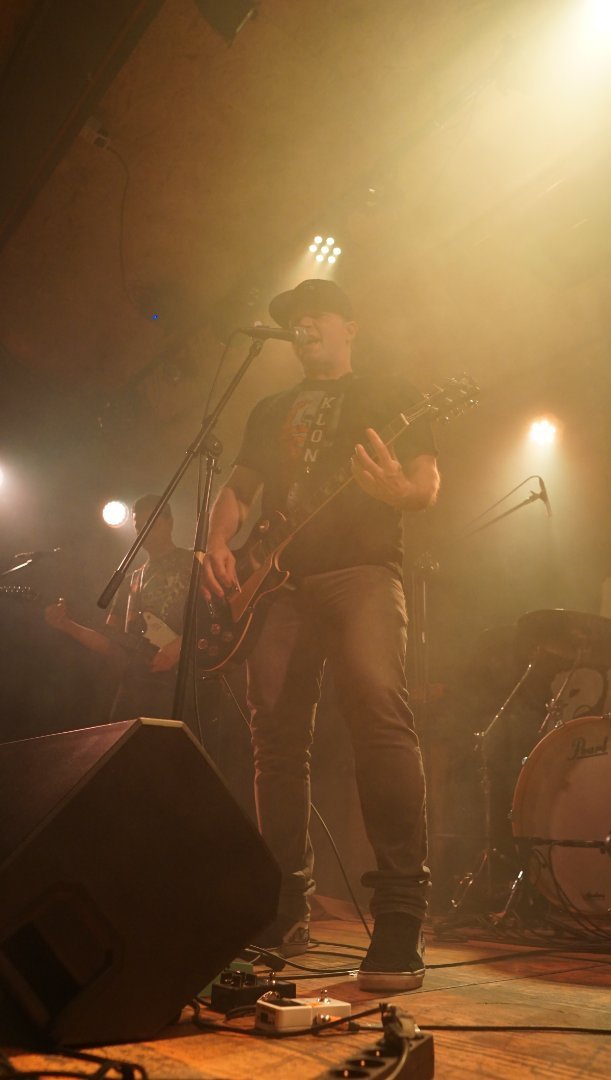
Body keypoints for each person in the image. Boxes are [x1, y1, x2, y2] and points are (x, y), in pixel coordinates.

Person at [200, 278, 440, 992]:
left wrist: (399, 491)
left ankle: (399, 914)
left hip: (361, 570)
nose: (304, 327)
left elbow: (425, 483)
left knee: (380, 717)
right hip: (278, 582)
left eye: (317, 316)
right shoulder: (271, 408)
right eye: (295, 320)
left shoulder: (391, 394)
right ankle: (283, 909)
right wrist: (218, 539)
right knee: (274, 742)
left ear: (349, 327)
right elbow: (238, 487)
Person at [45, 495, 192, 722]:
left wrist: (179, 646)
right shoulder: (130, 581)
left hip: (185, 684)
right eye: (138, 525)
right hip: (136, 689)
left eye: (151, 522)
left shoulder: (192, 563)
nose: (143, 530)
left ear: (169, 522)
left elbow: (219, 618)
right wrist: (66, 625)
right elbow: (112, 645)